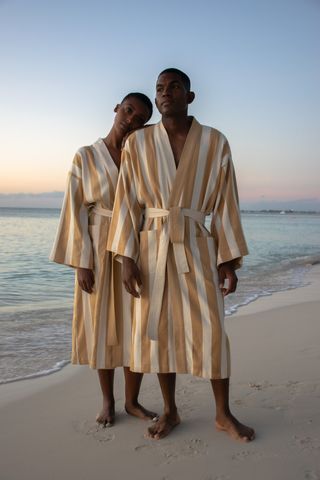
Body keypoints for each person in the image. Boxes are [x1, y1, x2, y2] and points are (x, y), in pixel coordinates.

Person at [107, 68, 255, 441]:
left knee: (213, 329)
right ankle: (170, 411)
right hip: (152, 245)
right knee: (160, 332)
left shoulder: (215, 142)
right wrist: (126, 257)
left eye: (174, 86)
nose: (165, 92)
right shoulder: (138, 144)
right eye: (159, 88)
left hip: (195, 244)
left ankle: (223, 413)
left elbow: (225, 203)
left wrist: (227, 259)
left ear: (190, 96)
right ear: (155, 99)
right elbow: (127, 202)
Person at [50, 92, 157, 426]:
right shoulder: (85, 156)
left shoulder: (141, 158)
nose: (130, 120)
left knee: (136, 324)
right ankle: (108, 402)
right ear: (116, 108)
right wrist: (82, 261)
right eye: (127, 111)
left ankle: (134, 402)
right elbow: (75, 210)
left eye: (139, 118)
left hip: (135, 249)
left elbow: (149, 205)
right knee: (101, 325)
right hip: (97, 245)